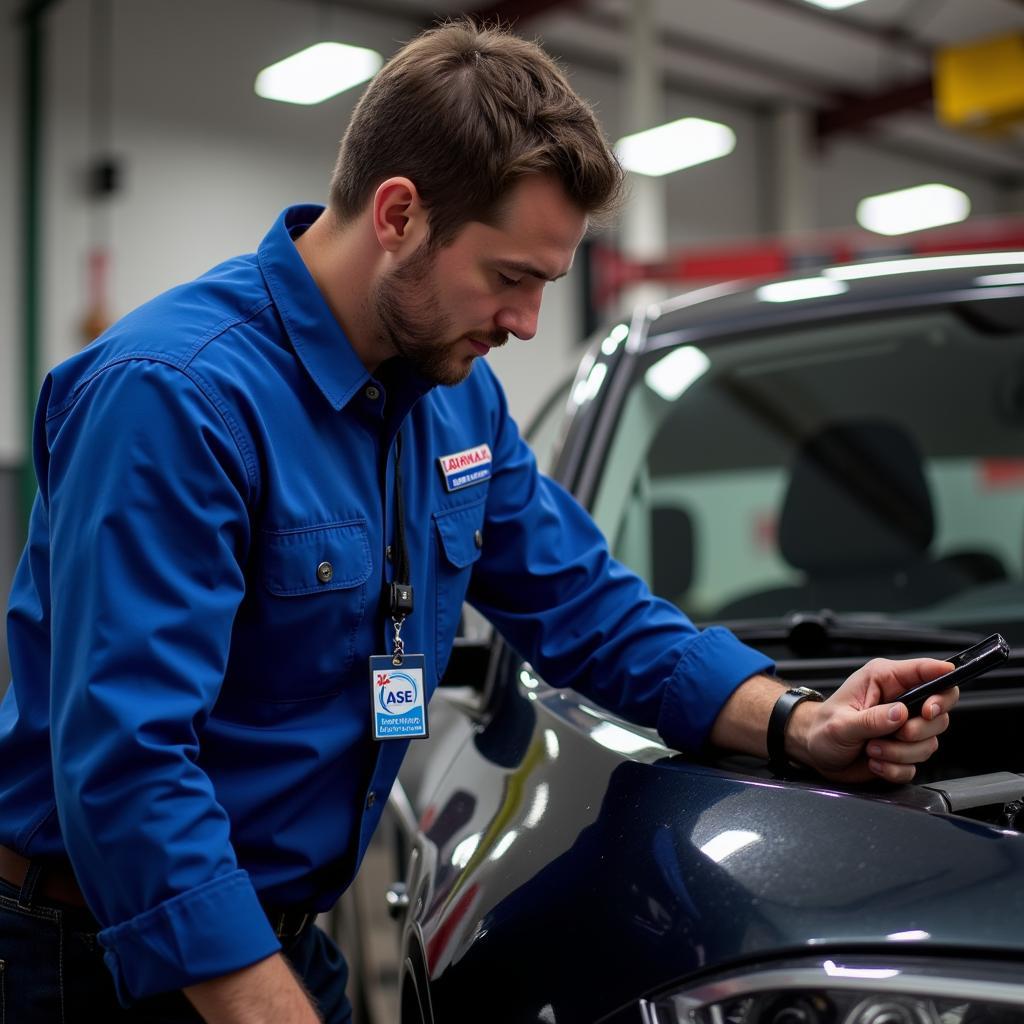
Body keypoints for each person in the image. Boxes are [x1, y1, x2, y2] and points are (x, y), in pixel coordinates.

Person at [0, 19, 958, 1024]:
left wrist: (798, 723)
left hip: (275, 938)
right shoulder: (174, 398)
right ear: (400, 214)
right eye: (509, 277)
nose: (526, 324)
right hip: (94, 962)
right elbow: (130, 764)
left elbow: (586, 606)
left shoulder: (453, 399)